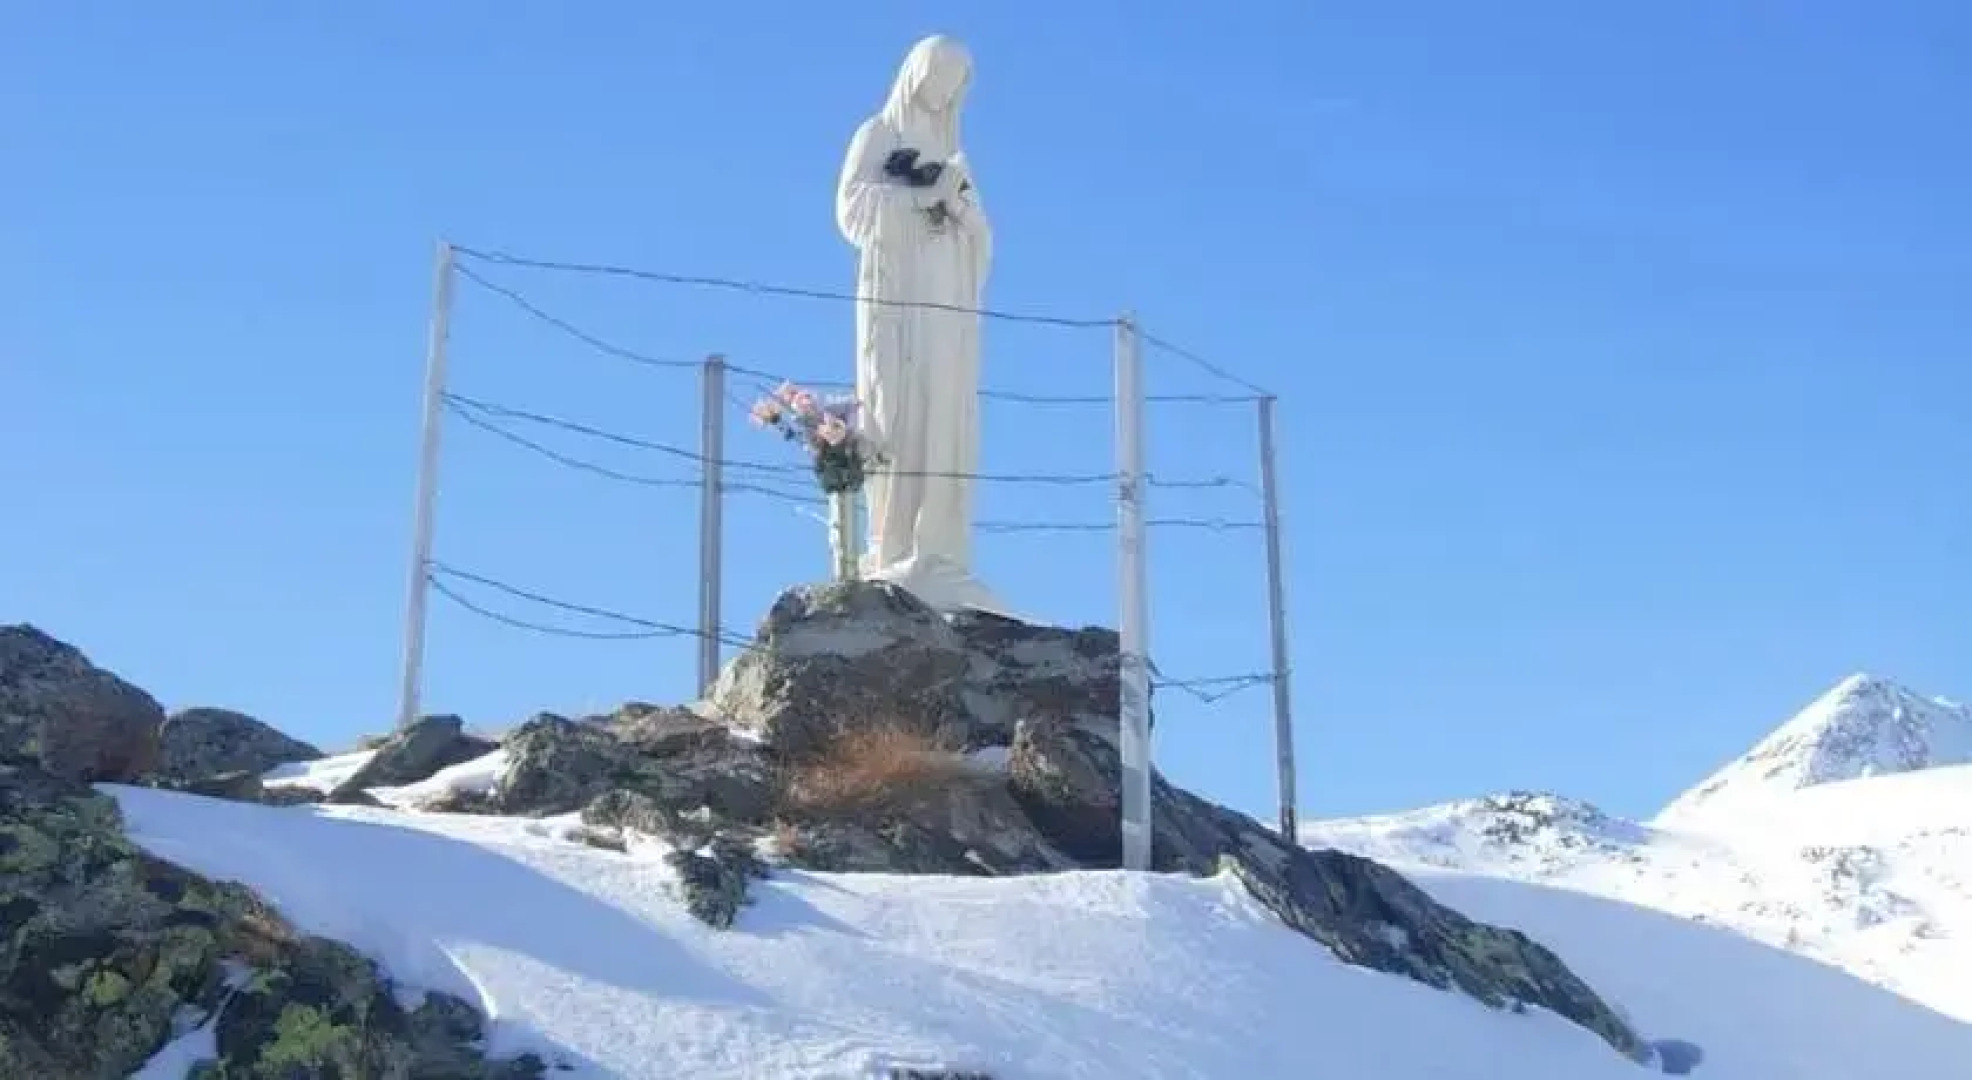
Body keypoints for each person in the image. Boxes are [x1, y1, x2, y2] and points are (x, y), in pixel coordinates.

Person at [834, 34, 999, 613]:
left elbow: (984, 240)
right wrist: (915, 197)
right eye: (940, 75)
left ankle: (938, 546)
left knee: (944, 414)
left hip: (947, 309)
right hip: (898, 304)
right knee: (898, 412)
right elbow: (852, 211)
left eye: (956, 82)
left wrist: (955, 205)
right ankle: (893, 543)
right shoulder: (878, 135)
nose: (945, 90)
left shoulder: (956, 154)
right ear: (917, 73)